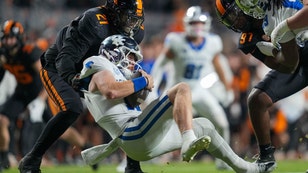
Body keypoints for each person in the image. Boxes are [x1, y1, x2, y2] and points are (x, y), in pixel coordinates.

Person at [79, 34, 275, 173]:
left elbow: (142, 103)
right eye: (130, 55)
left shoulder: (119, 74)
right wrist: (143, 82)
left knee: (205, 126)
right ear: (115, 52)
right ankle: (188, 140)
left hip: (139, 136)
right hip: (131, 134)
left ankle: (245, 169)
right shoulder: (98, 63)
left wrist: (143, 89)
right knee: (181, 88)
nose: (132, 62)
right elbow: (111, 91)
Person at [18, 0, 146, 173]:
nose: (131, 23)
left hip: (94, 72)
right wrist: (71, 77)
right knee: (72, 108)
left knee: (128, 107)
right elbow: (65, 57)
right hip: (59, 67)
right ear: (114, 11)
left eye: (135, 18)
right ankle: (32, 159)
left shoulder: (136, 32)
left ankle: (132, 166)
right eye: (126, 17)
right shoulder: (94, 21)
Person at [215, 0, 308, 170]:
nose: (236, 22)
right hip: (296, 61)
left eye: (234, 15)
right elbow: (284, 66)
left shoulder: (278, 6)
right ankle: (266, 158)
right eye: (229, 20)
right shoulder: (249, 38)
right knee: (257, 100)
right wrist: (273, 50)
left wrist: (285, 28)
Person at [150, 6, 233, 169]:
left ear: (206, 24)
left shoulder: (212, 42)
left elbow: (218, 66)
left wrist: (228, 88)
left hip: (199, 90)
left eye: (200, 23)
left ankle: (222, 160)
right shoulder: (176, 41)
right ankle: (153, 156)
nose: (197, 27)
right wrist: (154, 88)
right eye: (194, 23)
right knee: (164, 127)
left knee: (222, 124)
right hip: (178, 90)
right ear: (187, 24)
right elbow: (160, 65)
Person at [0, 20, 46, 172]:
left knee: (61, 127)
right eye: (5, 38)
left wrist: (41, 99)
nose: (8, 42)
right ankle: (4, 156)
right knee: (2, 119)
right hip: (21, 92)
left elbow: (46, 78)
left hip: (41, 92)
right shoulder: (3, 54)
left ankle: (83, 145)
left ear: (19, 38)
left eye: (11, 38)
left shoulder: (30, 51)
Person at [233, 0, 303, 74]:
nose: (237, 22)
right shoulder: (271, 18)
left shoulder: (270, 22)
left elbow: (292, 64)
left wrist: (274, 51)